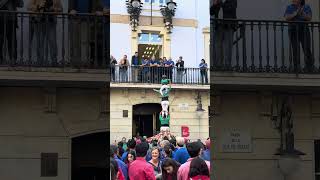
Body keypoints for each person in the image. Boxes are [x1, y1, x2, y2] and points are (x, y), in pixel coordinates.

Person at [68, 0, 103, 67]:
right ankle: (75, 62)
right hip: (75, 19)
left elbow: (97, 5)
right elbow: (70, 7)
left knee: (85, 42)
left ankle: (85, 62)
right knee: (75, 42)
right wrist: (71, 10)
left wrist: (97, 11)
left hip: (87, 20)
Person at [284, 0, 314, 72]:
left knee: (306, 48)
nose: (293, 0)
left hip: (304, 29)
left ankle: (309, 67)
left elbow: (309, 18)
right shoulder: (289, 7)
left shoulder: (306, 7)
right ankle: (296, 67)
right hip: (293, 30)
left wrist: (302, 13)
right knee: (295, 48)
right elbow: (286, 17)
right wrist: (295, 13)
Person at [211, 0, 237, 69]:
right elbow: (211, 12)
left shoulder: (232, 1)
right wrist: (214, 5)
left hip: (228, 26)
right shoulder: (219, 2)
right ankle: (218, 65)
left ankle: (227, 65)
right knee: (217, 45)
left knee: (227, 46)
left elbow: (230, 8)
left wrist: (220, 3)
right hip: (219, 26)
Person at [0, 0, 24, 65]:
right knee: (0, 40)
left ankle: (13, 59)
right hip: (1, 20)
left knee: (12, 41)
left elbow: (21, 5)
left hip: (11, 20)